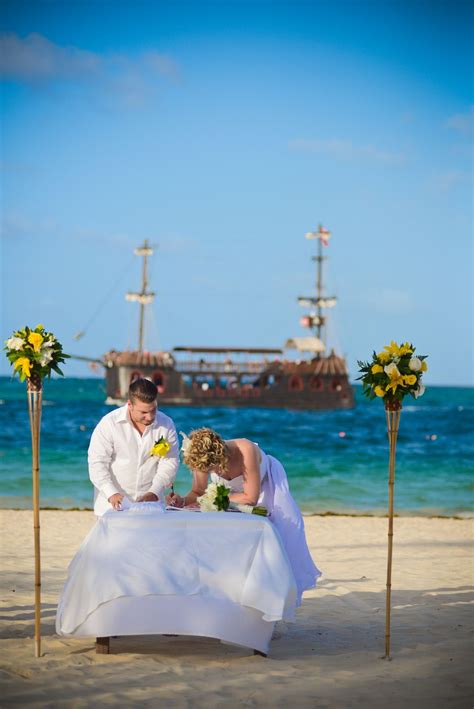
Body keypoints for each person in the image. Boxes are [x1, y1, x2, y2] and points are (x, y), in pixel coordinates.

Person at [166, 428, 321, 603]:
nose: (213, 473)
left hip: (265, 488)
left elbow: (251, 497)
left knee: (279, 538)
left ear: (220, 455)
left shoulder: (245, 449)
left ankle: (271, 595)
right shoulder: (201, 455)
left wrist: (211, 499)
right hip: (228, 496)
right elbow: (197, 491)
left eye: (213, 468)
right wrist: (182, 501)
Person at [88, 378, 179, 515]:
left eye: (153, 410)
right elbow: (97, 463)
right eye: (143, 412)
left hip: (151, 507)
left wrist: (154, 492)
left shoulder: (166, 424)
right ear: (129, 405)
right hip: (111, 507)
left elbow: (170, 462)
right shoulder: (109, 424)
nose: (149, 417)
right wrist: (111, 493)